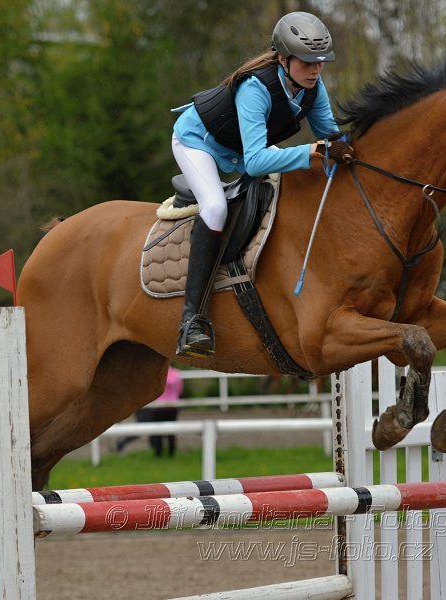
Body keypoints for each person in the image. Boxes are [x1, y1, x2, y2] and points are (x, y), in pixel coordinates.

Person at [171, 11, 354, 358]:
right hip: (199, 141)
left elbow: (331, 136)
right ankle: (192, 320)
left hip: (241, 147)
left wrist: (348, 150)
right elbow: (257, 161)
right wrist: (315, 150)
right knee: (214, 207)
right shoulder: (256, 87)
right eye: (307, 62)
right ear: (284, 59)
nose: (316, 70)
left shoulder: (312, 89)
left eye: (321, 62)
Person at [116, 366, 183, 457]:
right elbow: (179, 390)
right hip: (172, 406)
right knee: (170, 432)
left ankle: (157, 453)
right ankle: (170, 454)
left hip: (155, 406)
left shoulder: (155, 373)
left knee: (153, 431)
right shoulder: (176, 373)